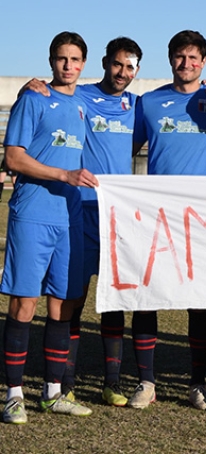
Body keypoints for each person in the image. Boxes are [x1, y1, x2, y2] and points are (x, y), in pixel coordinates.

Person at [1, 32, 98, 424]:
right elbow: (13, 158)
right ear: (51, 60)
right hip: (32, 214)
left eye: (75, 59)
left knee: (63, 305)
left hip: (69, 219)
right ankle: (13, 394)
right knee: (24, 304)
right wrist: (63, 174)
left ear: (84, 64)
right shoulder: (33, 98)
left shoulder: (84, 104)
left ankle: (53, 392)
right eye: (61, 59)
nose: (68, 66)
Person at [132, 30, 206, 411]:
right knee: (145, 295)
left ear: (204, 61)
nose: (186, 64)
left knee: (199, 300)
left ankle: (197, 383)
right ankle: (146, 381)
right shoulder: (150, 102)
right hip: (155, 213)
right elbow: (125, 146)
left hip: (201, 215)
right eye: (179, 57)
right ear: (170, 58)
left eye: (193, 58)